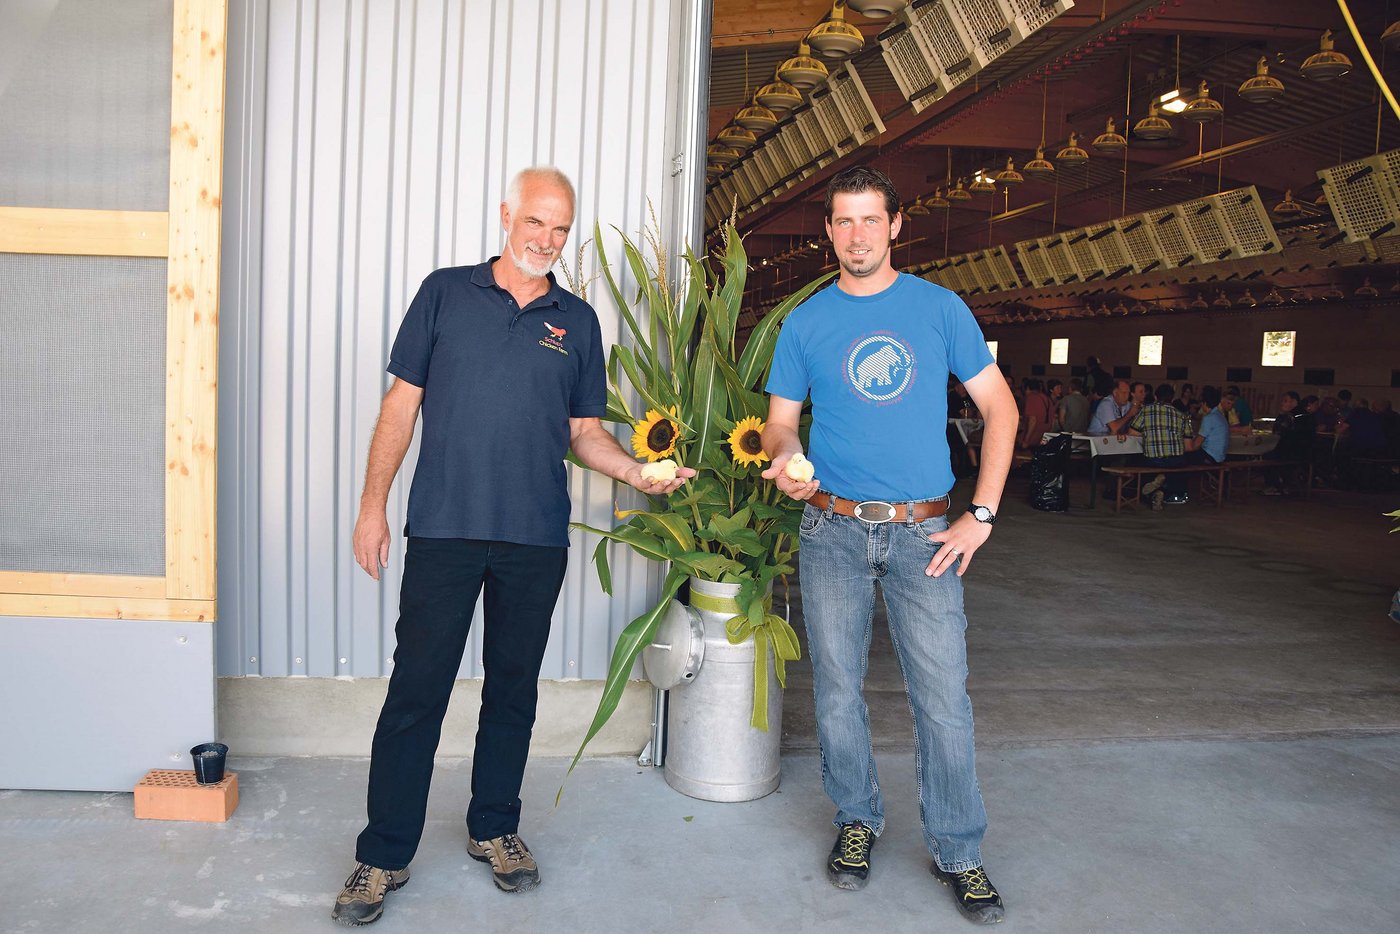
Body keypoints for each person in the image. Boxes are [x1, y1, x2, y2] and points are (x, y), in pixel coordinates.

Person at [331, 167, 694, 925]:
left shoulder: (578, 321)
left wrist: (635, 470)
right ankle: (383, 852)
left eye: (561, 229)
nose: (547, 240)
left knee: (513, 692)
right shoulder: (444, 294)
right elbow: (401, 405)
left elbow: (585, 434)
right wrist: (373, 506)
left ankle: (494, 827)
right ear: (507, 215)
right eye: (536, 222)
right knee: (415, 694)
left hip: (533, 537)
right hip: (444, 530)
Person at [760, 165, 1017, 925]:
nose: (857, 235)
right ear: (829, 231)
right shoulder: (805, 323)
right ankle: (857, 819)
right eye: (844, 221)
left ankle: (960, 850)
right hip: (831, 527)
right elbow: (780, 421)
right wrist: (783, 459)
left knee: (942, 699)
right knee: (837, 693)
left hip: (926, 535)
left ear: (897, 225)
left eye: (871, 220)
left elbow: (1000, 413)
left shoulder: (940, 310)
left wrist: (983, 514)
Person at [1128, 383, 1193, 510]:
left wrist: (1149, 433)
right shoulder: (1182, 415)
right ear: (1172, 399)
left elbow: (1132, 433)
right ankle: (1161, 490)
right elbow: (1188, 446)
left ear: (1156, 397)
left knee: (1138, 463)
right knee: (1176, 468)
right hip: (1176, 460)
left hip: (1153, 460)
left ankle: (1153, 493)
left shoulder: (1145, 411)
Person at [1261, 391, 1316, 496]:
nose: (1283, 404)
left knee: (1267, 456)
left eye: (1286, 401)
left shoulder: (1290, 416)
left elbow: (1278, 432)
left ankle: (1273, 485)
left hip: (1289, 452)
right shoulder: (1306, 415)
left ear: (1294, 402)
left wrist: (1281, 415)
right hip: (1305, 452)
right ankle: (1286, 484)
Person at [1020, 378, 1053, 448]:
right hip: (1044, 437)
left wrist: (1026, 440)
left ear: (1028, 388)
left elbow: (1032, 420)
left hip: (1032, 438)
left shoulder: (1031, 398)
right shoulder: (1047, 398)